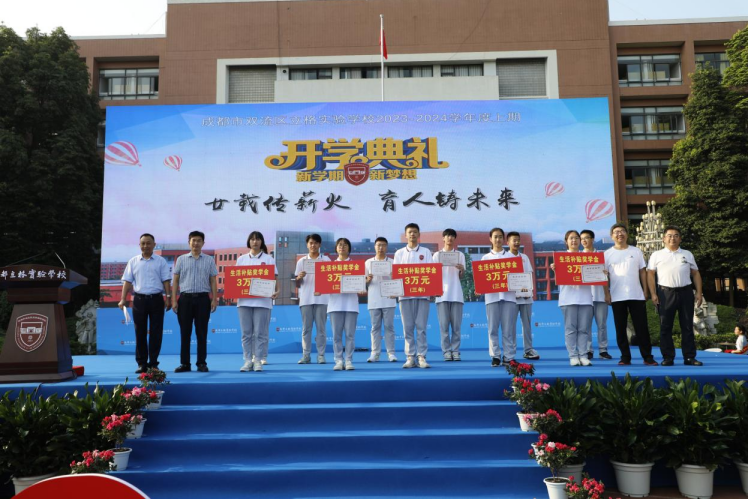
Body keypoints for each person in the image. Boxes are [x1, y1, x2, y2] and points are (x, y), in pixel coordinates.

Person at [646, 226, 704, 366]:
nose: (673, 238)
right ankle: (668, 357)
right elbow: (650, 274)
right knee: (665, 326)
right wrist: (653, 293)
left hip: (686, 292)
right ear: (664, 238)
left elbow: (695, 273)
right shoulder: (657, 255)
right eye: (669, 235)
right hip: (665, 293)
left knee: (687, 326)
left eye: (676, 235)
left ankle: (689, 357)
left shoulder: (687, 254)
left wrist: (699, 292)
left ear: (680, 238)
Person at [604, 223, 658, 366]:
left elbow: (642, 272)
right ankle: (625, 357)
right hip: (617, 296)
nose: (619, 234)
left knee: (642, 327)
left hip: (636, 295)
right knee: (620, 328)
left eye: (622, 231)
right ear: (611, 236)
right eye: (616, 232)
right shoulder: (607, 254)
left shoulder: (636, 251)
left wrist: (645, 290)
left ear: (627, 234)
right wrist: (607, 293)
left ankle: (647, 356)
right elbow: (604, 276)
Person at [118, 233, 172, 373]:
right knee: (140, 332)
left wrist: (169, 298)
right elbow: (127, 281)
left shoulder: (161, 261)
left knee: (156, 332)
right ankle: (142, 363)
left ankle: (153, 363)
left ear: (154, 245)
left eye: (148, 243)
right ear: (139, 245)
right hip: (139, 300)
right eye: (143, 243)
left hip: (156, 300)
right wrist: (123, 299)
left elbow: (166, 280)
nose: (146, 246)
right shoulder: (133, 261)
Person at [172, 230, 218, 373]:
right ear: (189, 242)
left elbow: (213, 280)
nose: (196, 243)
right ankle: (185, 363)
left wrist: (214, 299)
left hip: (203, 299)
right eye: (193, 240)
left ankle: (201, 363)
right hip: (185, 299)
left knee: (202, 332)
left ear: (203, 243)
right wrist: (174, 300)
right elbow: (175, 280)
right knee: (185, 333)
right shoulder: (181, 259)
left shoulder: (209, 260)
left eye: (199, 240)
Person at [236, 231, 279, 373]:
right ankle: (248, 360)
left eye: (258, 239)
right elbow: (235, 280)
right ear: (249, 242)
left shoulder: (269, 259)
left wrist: (277, 290)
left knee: (260, 333)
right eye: (252, 239)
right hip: (244, 302)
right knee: (246, 333)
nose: (255, 242)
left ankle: (258, 360)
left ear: (262, 242)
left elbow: (275, 279)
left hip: (263, 302)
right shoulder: (241, 259)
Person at [552, 230, 594, 366]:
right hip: (568, 299)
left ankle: (583, 355)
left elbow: (595, 275)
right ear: (566, 241)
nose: (574, 240)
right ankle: (573, 356)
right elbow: (559, 279)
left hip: (585, 298)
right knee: (570, 329)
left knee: (584, 329)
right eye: (571, 238)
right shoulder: (561, 258)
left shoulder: (587, 257)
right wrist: (555, 269)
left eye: (576, 238)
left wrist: (601, 272)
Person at [394, 223, 432, 369]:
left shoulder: (426, 252)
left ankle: (421, 356)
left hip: (423, 295)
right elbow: (396, 274)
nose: (412, 234)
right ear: (406, 235)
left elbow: (431, 272)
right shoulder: (399, 253)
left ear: (419, 234)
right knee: (408, 327)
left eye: (415, 232)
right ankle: (410, 356)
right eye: (410, 232)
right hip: (405, 296)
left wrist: (433, 289)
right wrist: (394, 291)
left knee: (421, 327)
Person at [480, 228, 518, 366]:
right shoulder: (485, 258)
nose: (498, 239)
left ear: (504, 239)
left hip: (509, 297)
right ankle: (495, 355)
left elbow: (518, 278)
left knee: (508, 329)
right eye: (495, 237)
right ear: (490, 239)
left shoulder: (512, 258)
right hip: (492, 298)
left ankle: (509, 356)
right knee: (492, 329)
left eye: (500, 237)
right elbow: (481, 279)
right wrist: (480, 287)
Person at [294, 234, 331, 364]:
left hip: (322, 299)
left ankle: (321, 355)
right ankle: (306, 355)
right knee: (306, 329)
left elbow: (330, 280)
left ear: (319, 244)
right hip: (306, 299)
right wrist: (299, 277)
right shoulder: (302, 261)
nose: (313, 245)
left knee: (321, 329)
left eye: (315, 243)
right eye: (310, 243)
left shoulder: (326, 260)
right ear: (307, 244)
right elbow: (297, 284)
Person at [506, 231, 540, 361]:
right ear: (508, 242)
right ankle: (511, 352)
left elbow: (529, 276)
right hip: (511, 298)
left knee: (527, 325)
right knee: (510, 326)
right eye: (513, 240)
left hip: (526, 297)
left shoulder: (524, 257)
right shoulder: (505, 258)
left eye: (518, 240)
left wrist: (528, 292)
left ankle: (528, 350)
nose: (516, 242)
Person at [433, 229, 466, 361]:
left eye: (452, 236)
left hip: (456, 294)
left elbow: (461, 276)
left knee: (456, 326)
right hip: (442, 295)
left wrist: (462, 269)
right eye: (447, 236)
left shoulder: (460, 255)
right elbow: (433, 275)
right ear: (443, 238)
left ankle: (455, 350)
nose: (450, 238)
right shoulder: (437, 255)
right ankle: (446, 351)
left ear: (454, 239)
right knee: (444, 326)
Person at [580, 229, 613, 360]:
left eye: (586, 238)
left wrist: (607, 294)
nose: (584, 240)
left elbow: (606, 277)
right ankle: (588, 350)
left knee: (602, 325)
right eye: (582, 238)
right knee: (586, 326)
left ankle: (603, 350)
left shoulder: (601, 256)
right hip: (584, 297)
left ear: (593, 239)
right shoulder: (577, 257)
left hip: (600, 295)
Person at [328, 237, 359, 371]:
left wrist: (363, 285)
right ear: (336, 248)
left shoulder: (356, 266)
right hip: (335, 305)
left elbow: (362, 284)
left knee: (350, 335)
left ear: (349, 248)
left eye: (345, 245)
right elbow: (324, 284)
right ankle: (339, 360)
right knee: (336, 335)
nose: (342, 247)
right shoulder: (329, 267)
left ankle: (349, 360)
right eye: (339, 245)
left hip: (351, 305)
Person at [365, 237, 397, 362]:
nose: (381, 248)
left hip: (389, 299)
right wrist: (367, 280)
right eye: (378, 245)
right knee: (375, 327)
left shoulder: (393, 262)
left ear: (387, 247)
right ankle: (375, 353)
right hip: (373, 299)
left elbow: (398, 281)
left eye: (383, 245)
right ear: (374, 247)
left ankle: (391, 353)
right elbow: (363, 283)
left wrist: (393, 278)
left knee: (389, 327)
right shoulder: (368, 263)